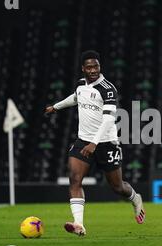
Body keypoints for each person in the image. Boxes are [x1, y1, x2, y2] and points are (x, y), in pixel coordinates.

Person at [44, 50, 145, 236]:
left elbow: (108, 120)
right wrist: (56, 107)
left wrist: (95, 144)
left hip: (106, 142)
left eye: (96, 66)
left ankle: (135, 198)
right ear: (83, 68)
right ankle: (79, 224)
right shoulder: (81, 84)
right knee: (75, 180)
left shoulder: (108, 89)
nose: (93, 70)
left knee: (117, 186)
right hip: (83, 140)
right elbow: (75, 98)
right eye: (89, 67)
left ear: (100, 67)